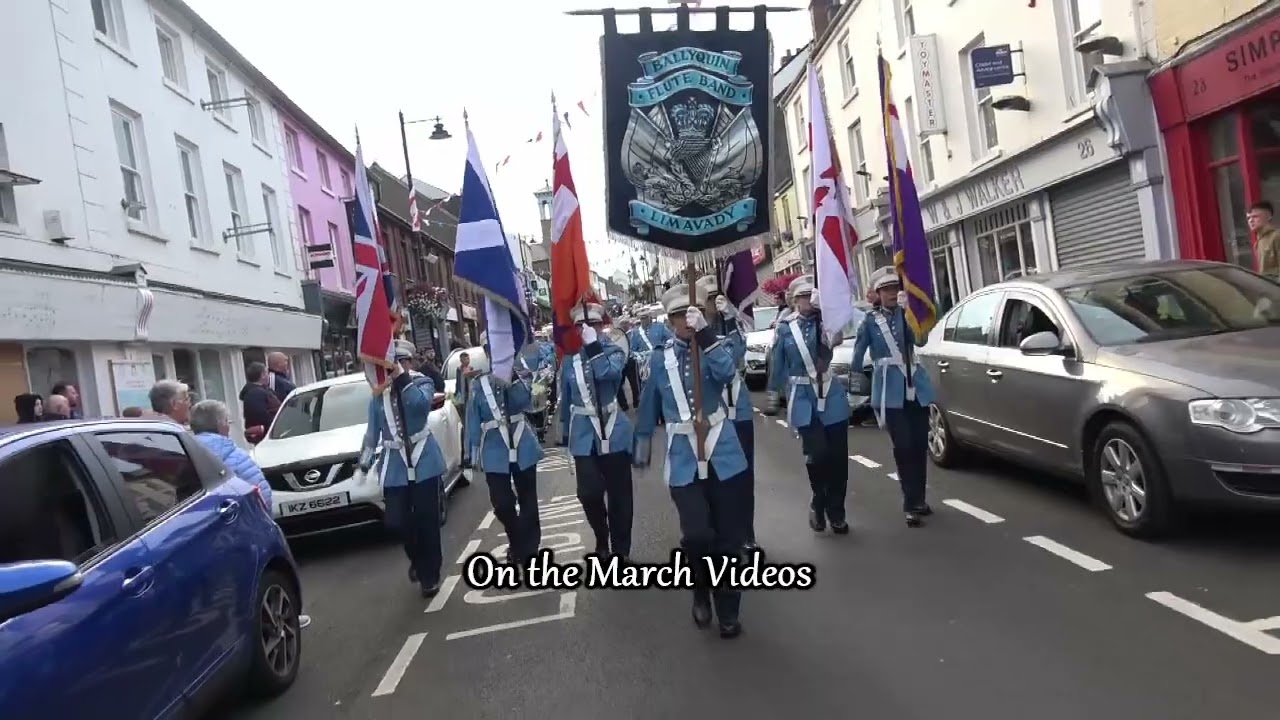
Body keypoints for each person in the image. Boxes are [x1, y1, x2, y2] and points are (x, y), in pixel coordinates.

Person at [633, 282, 748, 638]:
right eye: (678, 315)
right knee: (697, 534)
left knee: (728, 539)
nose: (685, 320)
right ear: (669, 321)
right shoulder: (659, 357)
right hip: (683, 456)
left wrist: (708, 335)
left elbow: (728, 373)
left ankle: (728, 609)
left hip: (722, 451)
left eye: (690, 313)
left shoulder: (716, 346)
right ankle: (700, 587)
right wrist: (641, 449)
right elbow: (649, 405)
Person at [360, 339, 449, 597]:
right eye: (389, 362)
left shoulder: (422, 383)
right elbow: (371, 433)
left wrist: (402, 380)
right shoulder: (378, 396)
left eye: (399, 360)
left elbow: (420, 408)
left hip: (424, 461)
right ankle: (417, 559)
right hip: (395, 465)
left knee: (427, 521)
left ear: (408, 362)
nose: (392, 366)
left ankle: (429, 574)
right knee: (397, 521)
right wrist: (363, 464)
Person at [764, 275, 852, 534]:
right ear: (793, 300)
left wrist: (826, 311)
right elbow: (778, 364)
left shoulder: (827, 323)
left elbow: (837, 336)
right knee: (817, 455)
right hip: (802, 398)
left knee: (838, 459)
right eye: (802, 297)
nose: (807, 301)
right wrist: (773, 394)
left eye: (810, 296)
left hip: (831, 395)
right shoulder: (784, 328)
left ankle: (836, 512)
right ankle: (818, 500)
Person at [852, 267, 936, 527]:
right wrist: (857, 384)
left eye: (894, 289)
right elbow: (857, 356)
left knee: (920, 444)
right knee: (904, 446)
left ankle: (919, 499)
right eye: (886, 290)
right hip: (889, 392)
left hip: (915, 389)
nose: (891, 294)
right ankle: (910, 503)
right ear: (877, 294)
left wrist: (912, 314)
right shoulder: (869, 322)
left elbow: (920, 340)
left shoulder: (906, 315)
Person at [558, 302, 634, 560]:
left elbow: (609, 375)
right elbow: (566, 400)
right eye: (581, 326)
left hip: (614, 431)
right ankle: (601, 536)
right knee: (588, 493)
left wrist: (594, 347)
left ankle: (620, 550)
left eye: (592, 325)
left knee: (620, 496)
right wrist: (564, 435)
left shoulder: (615, 351)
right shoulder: (570, 362)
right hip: (583, 435)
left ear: (602, 326)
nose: (586, 329)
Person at [697, 275, 762, 556]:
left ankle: (746, 533)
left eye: (717, 297)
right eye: (710, 299)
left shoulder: (729, 325)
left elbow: (739, 349)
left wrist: (732, 315)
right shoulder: (693, 333)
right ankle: (715, 533)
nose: (714, 303)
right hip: (709, 416)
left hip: (738, 411)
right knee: (711, 480)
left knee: (743, 477)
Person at [465, 353, 544, 572]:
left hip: (522, 443)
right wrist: (471, 452)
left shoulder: (521, 373)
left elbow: (528, 402)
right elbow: (473, 417)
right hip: (494, 448)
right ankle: (516, 538)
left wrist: (512, 378)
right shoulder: (478, 384)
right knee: (502, 503)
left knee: (528, 500)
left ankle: (531, 551)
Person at [191, 399, 272, 505]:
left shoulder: (186, 458)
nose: (228, 425)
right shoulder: (237, 457)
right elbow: (262, 497)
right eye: (226, 421)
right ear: (219, 425)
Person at [240, 362, 281, 444]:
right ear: (262, 375)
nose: (268, 376)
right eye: (266, 373)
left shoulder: (261, 391)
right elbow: (259, 415)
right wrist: (276, 422)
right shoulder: (254, 393)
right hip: (267, 436)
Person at [1247, 200, 1280, 280]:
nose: (1251, 220)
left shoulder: (1276, 236)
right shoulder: (1259, 242)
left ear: (1268, 216)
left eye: (1255, 216)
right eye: (1248, 218)